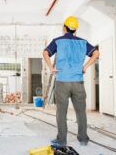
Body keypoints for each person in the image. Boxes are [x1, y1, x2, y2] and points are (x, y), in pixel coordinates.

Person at [43, 16, 100, 146]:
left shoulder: (58, 41)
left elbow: (45, 53)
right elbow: (96, 53)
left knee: (61, 112)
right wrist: (84, 67)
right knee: (81, 112)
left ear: (65, 28)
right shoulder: (83, 42)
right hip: (78, 81)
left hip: (62, 81)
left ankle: (62, 140)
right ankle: (83, 139)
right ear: (75, 30)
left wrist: (51, 68)